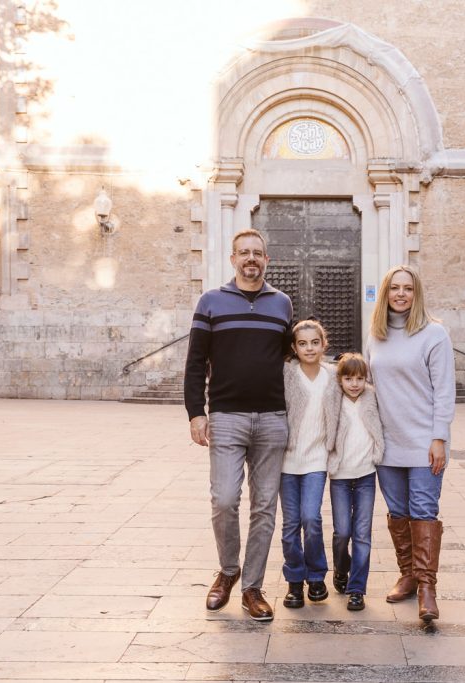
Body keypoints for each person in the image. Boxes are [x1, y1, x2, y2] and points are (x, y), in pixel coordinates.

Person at [184, 228, 293, 622]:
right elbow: (195, 361)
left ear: (267, 260)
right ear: (233, 259)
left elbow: (288, 361)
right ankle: (228, 571)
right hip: (227, 417)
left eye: (257, 253)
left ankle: (252, 587)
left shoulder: (283, 304)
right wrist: (196, 412)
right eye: (244, 253)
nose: (251, 259)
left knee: (264, 507)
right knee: (225, 499)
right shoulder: (211, 301)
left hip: (272, 419)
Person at [366, 265, 456, 621]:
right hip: (387, 442)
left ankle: (427, 587)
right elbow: (368, 385)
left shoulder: (434, 334)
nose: (401, 294)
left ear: (417, 294)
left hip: (422, 442)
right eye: (394, 288)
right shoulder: (376, 335)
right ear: (386, 293)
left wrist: (439, 438)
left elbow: (444, 391)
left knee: (423, 512)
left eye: (408, 288)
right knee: (399, 514)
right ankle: (408, 574)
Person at [279, 320, 339, 609]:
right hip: (286, 461)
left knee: (311, 519)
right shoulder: (286, 374)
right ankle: (294, 580)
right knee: (291, 524)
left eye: (314, 342)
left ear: (323, 344)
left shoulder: (334, 376)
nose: (309, 348)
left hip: (316, 459)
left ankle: (316, 575)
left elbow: (360, 394)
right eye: (302, 343)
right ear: (294, 347)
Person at [328, 352, 384, 612]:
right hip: (340, 476)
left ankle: (357, 588)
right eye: (348, 378)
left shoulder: (372, 397)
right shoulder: (333, 400)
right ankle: (341, 567)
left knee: (362, 534)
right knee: (342, 532)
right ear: (340, 379)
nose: (354, 384)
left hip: (365, 476)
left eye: (359, 379)